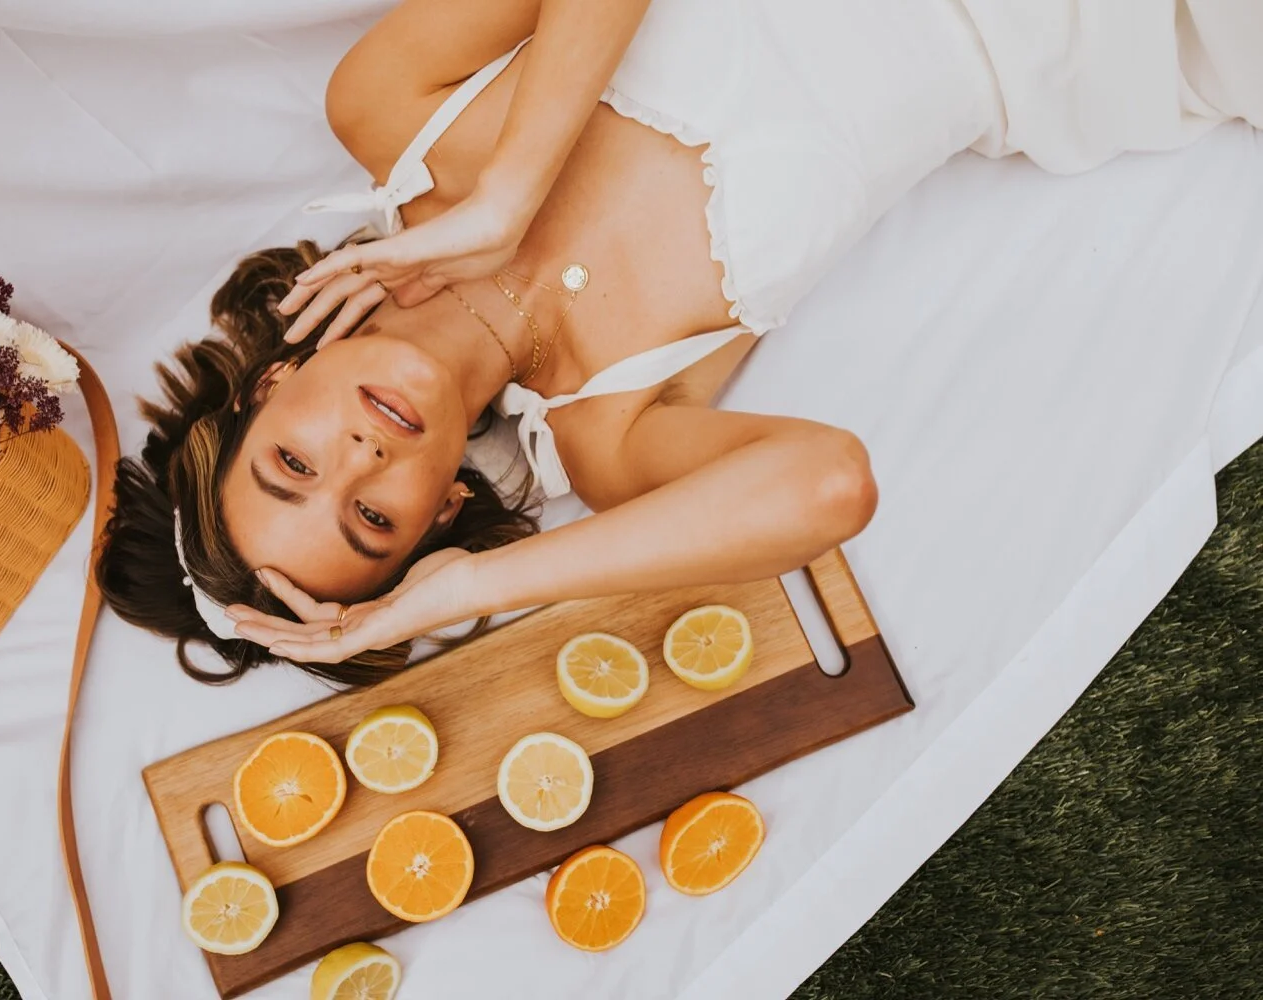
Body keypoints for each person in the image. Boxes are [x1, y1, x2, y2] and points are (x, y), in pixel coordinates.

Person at [97, 0, 1262, 686]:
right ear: (442, 512)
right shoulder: (613, 429)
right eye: (373, 520)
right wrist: (450, 599)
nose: (358, 459)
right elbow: (828, 481)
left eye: (292, 464)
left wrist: (504, 197)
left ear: (275, 382)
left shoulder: (389, 109)